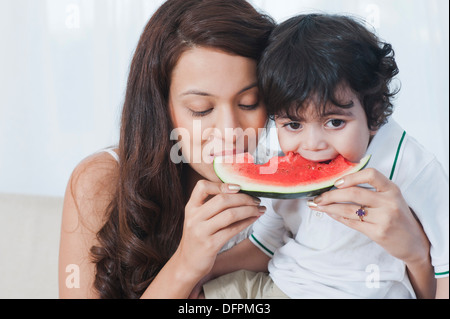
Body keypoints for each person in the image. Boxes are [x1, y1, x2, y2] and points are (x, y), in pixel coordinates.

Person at [201, 14, 448, 299]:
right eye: (293, 125)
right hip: (279, 287)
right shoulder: (283, 160)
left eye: (334, 122)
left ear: (374, 112)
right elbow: (265, 244)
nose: (313, 144)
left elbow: (445, 265)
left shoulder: (410, 164)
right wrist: (200, 270)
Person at [58, 0, 275, 298]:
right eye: (201, 109)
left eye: (249, 103)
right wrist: (186, 265)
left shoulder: (287, 191)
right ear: (161, 107)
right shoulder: (98, 181)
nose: (229, 132)